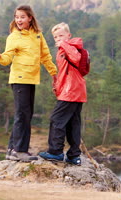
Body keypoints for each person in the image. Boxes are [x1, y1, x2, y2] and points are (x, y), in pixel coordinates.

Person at [0, 5, 57, 162]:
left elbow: (45, 56)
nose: (19, 20)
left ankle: (11, 150)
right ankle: (20, 151)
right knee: (22, 115)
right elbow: (6, 59)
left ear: (30, 18)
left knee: (25, 115)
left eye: (22, 17)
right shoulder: (13, 37)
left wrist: (54, 74)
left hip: (31, 79)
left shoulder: (38, 35)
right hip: (19, 79)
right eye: (17, 17)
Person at [39, 22, 87, 166]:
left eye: (61, 35)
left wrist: (63, 44)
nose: (58, 39)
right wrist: (58, 88)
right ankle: (73, 155)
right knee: (73, 123)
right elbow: (65, 74)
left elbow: (76, 58)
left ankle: (56, 152)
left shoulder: (71, 47)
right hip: (74, 90)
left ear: (68, 35)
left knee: (56, 119)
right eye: (56, 37)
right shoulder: (63, 49)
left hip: (72, 91)